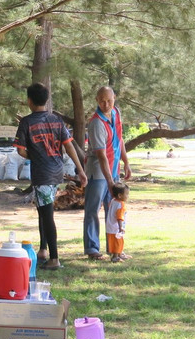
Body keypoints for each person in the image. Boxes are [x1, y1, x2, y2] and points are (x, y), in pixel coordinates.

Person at [13, 83, 88, 271]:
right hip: (56, 172)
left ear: (29, 101)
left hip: (42, 174)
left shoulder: (27, 122)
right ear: (46, 100)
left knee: (47, 215)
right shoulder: (56, 120)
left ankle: (54, 258)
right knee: (42, 210)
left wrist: (36, 156)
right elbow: (69, 146)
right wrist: (80, 170)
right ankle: (42, 250)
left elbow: (21, 151)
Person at [83, 85, 132, 260]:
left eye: (109, 101)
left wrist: (126, 162)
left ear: (114, 98)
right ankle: (92, 249)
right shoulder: (96, 123)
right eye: (102, 101)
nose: (106, 104)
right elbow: (101, 156)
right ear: (97, 100)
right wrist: (110, 181)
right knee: (93, 209)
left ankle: (114, 249)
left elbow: (120, 139)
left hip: (114, 168)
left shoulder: (116, 113)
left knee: (113, 211)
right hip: (98, 172)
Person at [107, 182, 130, 263]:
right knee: (117, 242)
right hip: (116, 228)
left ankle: (119, 254)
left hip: (110, 226)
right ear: (120, 195)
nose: (128, 196)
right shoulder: (121, 204)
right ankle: (115, 257)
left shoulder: (113, 201)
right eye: (126, 194)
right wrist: (121, 227)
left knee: (114, 242)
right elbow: (119, 217)